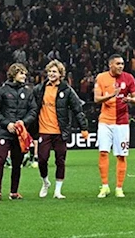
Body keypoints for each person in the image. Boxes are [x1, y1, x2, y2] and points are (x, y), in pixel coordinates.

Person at [34, 60, 88, 199]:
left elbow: (77, 109)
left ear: (60, 74)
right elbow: (32, 109)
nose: (51, 74)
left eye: (54, 72)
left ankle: (58, 191)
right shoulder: (39, 89)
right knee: (42, 159)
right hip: (44, 130)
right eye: (50, 71)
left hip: (60, 131)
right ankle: (45, 182)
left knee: (60, 160)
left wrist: (84, 127)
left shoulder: (67, 90)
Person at [94, 54, 135, 198]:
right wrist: (111, 95)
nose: (121, 66)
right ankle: (105, 186)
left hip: (122, 122)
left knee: (121, 155)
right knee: (103, 152)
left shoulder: (129, 78)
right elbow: (96, 99)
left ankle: (119, 188)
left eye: (122, 64)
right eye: (118, 64)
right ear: (110, 65)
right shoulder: (101, 78)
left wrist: (129, 99)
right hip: (105, 121)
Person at [0, 63, 37, 201]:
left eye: (25, 74)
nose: (24, 76)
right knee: (0, 160)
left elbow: (33, 110)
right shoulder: (2, 91)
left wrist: (24, 122)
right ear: (13, 74)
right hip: (3, 132)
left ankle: (14, 192)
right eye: (21, 73)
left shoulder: (28, 92)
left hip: (19, 134)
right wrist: (7, 124)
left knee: (17, 163)